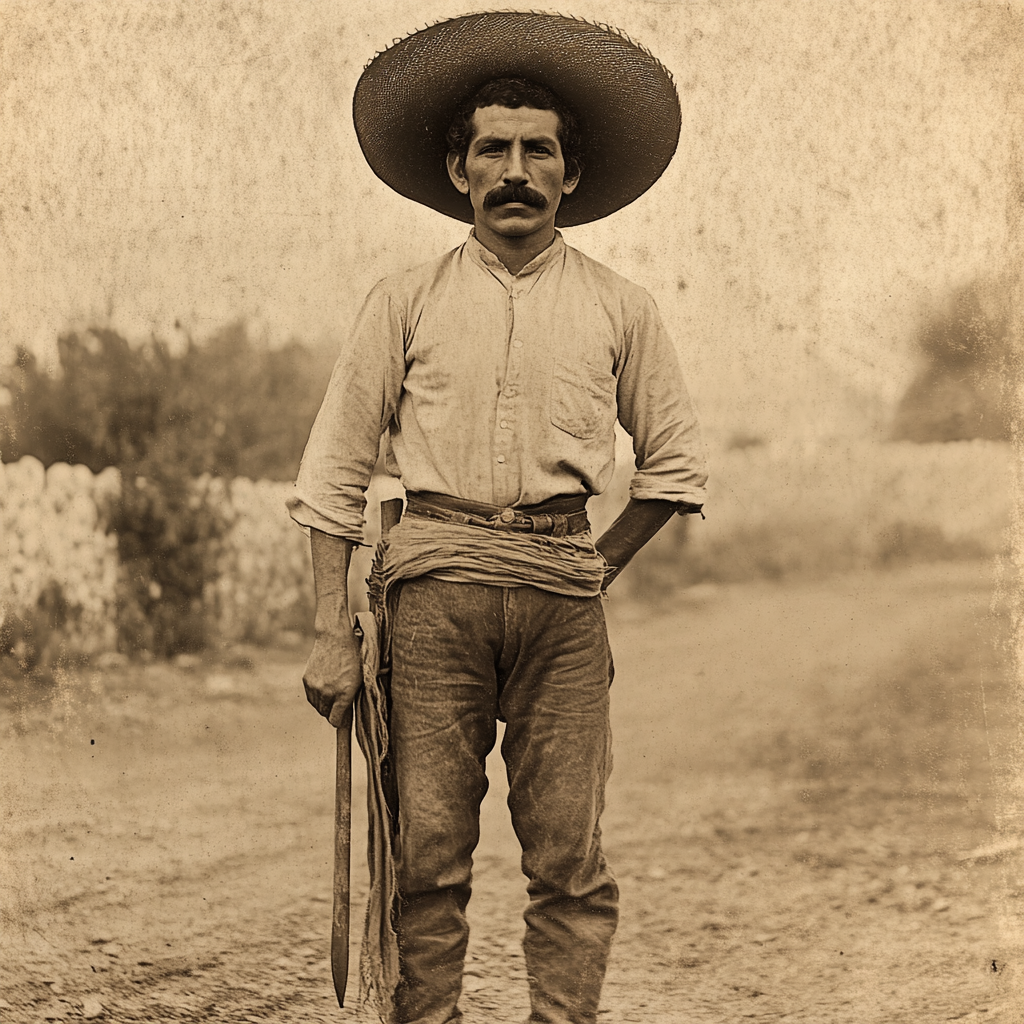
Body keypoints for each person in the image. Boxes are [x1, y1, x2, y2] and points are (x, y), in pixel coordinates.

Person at [287, 13, 708, 1024]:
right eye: (493, 149)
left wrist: (592, 566)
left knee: (568, 856)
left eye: (538, 150)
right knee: (425, 856)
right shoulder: (405, 301)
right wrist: (329, 632)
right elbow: (332, 475)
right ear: (458, 168)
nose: (515, 169)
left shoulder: (622, 307)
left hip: (565, 607)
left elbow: (675, 465)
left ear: (569, 173)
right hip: (429, 601)